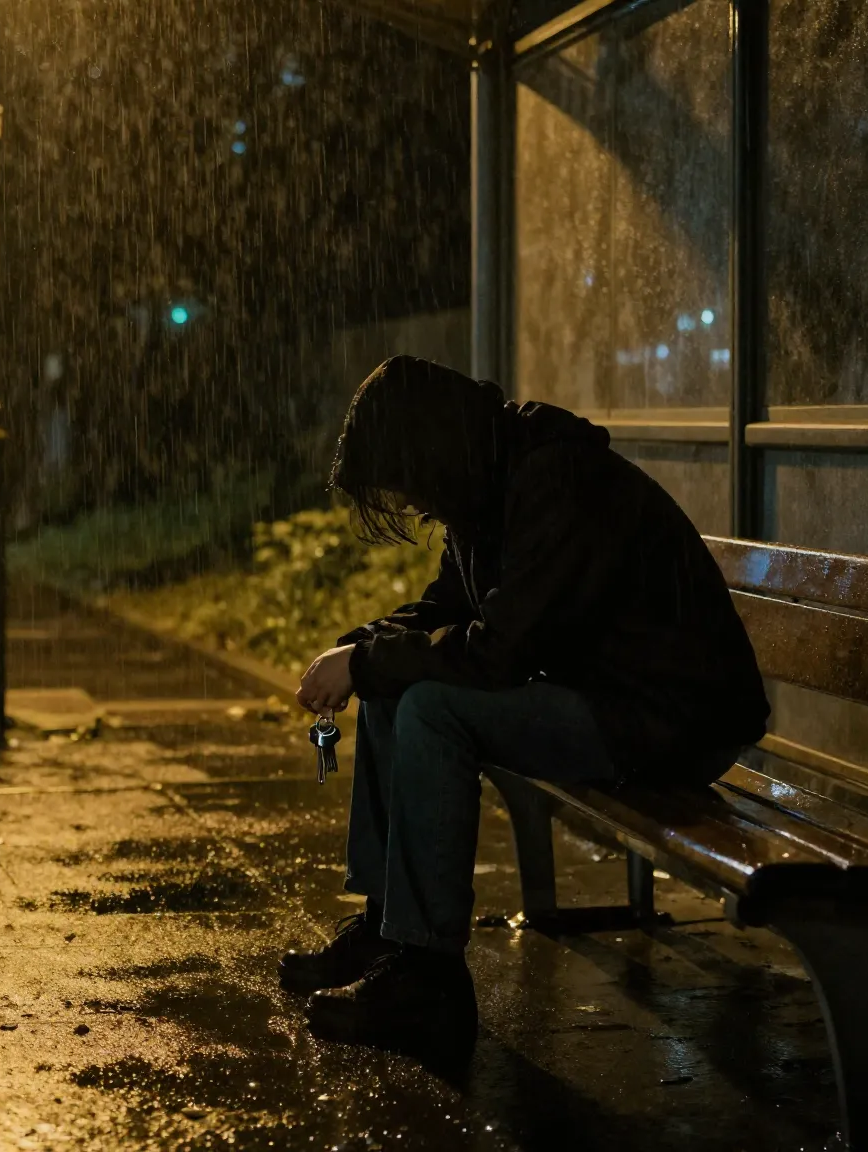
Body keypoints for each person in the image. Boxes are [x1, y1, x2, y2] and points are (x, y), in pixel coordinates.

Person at [284, 356, 769, 1051]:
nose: (412, 504)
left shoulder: (559, 482)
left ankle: (430, 980)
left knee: (430, 710)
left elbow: (499, 653)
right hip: (609, 699)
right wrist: (360, 650)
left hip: (671, 721)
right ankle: (390, 929)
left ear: (431, 449)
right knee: (396, 688)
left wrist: (364, 663)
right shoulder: (489, 481)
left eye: (408, 481)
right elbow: (446, 608)